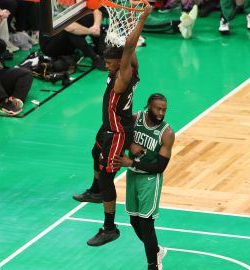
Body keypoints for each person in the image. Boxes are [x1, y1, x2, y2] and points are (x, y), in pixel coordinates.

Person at [74, 4, 152, 247]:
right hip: (108, 125)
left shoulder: (123, 76)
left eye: (110, 63)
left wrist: (143, 17)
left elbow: (129, 45)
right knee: (95, 152)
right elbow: (129, 50)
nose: (106, 65)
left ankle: (110, 228)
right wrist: (130, 15)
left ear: (121, 63)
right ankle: (96, 191)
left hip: (117, 132)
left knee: (108, 178)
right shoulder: (131, 67)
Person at [112, 93, 175, 270]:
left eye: (164, 109)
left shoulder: (167, 133)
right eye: (158, 108)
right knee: (134, 221)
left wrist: (130, 162)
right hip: (132, 174)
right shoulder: (135, 119)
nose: (162, 113)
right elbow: (120, 133)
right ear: (148, 106)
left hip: (150, 179)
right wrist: (130, 145)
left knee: (146, 223)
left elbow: (160, 167)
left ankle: (153, 265)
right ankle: (156, 250)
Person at [39, 9, 106, 70]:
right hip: (50, 45)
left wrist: (96, 26)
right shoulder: (54, 6)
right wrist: (91, 31)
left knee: (91, 18)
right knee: (71, 32)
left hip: (65, 37)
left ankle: (101, 52)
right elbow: (69, 27)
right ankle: (95, 59)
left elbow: (97, 10)